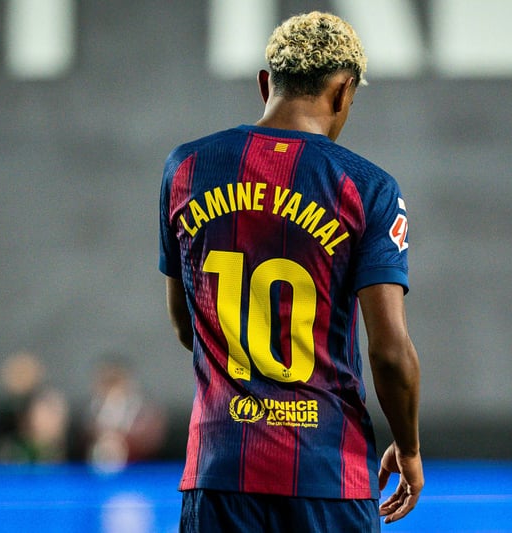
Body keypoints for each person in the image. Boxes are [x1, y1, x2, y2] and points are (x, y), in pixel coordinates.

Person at [158, 11, 423, 531]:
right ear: (343, 92)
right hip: (329, 475)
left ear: (265, 84)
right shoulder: (367, 187)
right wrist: (408, 447)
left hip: (218, 470)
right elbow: (390, 351)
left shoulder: (186, 168)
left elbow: (185, 325)